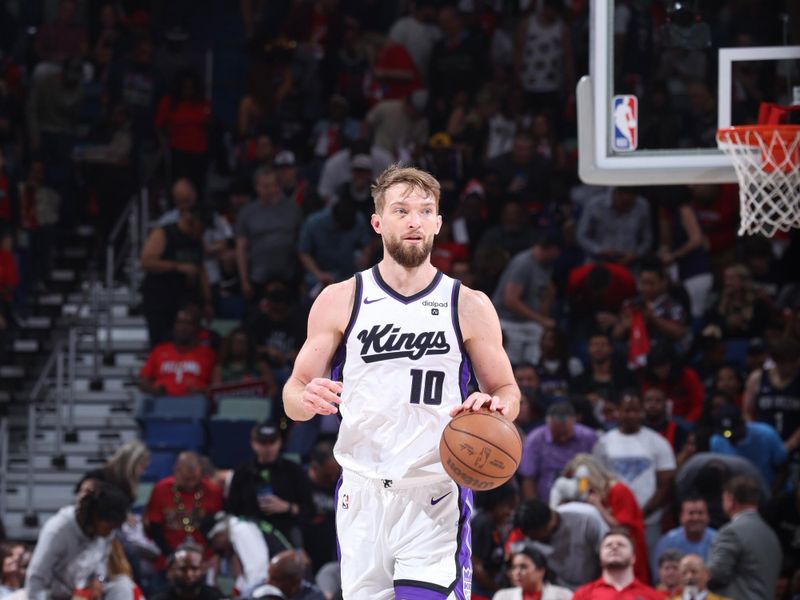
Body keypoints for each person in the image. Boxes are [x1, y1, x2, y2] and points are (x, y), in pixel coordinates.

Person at [283, 165, 520, 599]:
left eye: (425, 210)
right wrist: (305, 396)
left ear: (438, 223)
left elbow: (508, 391)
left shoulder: (468, 304)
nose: (414, 220)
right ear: (378, 222)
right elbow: (293, 393)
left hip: (432, 493)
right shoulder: (341, 299)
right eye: (401, 210)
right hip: (360, 494)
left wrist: (497, 406)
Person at [593, 389, 677, 550]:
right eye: (627, 410)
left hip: (649, 519)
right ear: (618, 411)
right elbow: (597, 482)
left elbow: (665, 484)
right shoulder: (604, 443)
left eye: (635, 411)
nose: (631, 415)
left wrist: (644, 512)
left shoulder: (658, 442)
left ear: (642, 412)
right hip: (613, 519)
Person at [26, 483, 130, 600]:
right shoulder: (57, 530)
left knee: (123, 585)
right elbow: (36, 579)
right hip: (53, 595)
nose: (110, 532)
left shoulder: (105, 533)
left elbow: (102, 559)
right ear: (95, 516)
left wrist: (98, 578)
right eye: (109, 527)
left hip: (82, 592)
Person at [226, 422, 314, 554]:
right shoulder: (242, 472)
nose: (268, 448)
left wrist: (287, 506)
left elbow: (310, 509)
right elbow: (232, 510)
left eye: (272, 442)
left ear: (280, 442)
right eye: (263, 443)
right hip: (251, 533)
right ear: (253, 443)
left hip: (286, 531)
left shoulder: (294, 471)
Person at [562, 454, 650, 584]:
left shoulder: (618, 490)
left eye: (581, 481)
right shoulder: (592, 496)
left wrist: (598, 507)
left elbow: (622, 529)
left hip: (629, 552)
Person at [140, 204, 211, 347]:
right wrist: (177, 266)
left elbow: (201, 270)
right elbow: (146, 262)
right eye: (201, 227)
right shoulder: (164, 233)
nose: (202, 232)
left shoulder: (197, 240)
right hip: (159, 300)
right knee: (160, 342)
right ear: (193, 221)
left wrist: (208, 301)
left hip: (185, 298)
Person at [707, 475, 782, 598]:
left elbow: (717, 575)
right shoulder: (770, 534)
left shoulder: (731, 532)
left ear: (731, 500)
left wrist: (696, 574)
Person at [492, 234, 561, 365]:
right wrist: (541, 320)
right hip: (509, 322)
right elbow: (510, 300)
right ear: (552, 249)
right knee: (511, 366)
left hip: (530, 324)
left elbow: (546, 293)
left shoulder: (546, 265)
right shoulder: (523, 263)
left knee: (535, 364)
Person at [236, 168, 303, 298]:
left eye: (272, 186)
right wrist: (244, 280)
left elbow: (302, 245)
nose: (269, 190)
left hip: (289, 276)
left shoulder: (293, 209)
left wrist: (302, 279)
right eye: (265, 186)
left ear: (278, 186)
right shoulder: (247, 212)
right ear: (257, 188)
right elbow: (240, 248)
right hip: (258, 277)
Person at [144, 452, 224, 561]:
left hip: (205, 559)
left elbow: (221, 528)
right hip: (169, 557)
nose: (191, 484)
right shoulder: (161, 490)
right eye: (186, 479)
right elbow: (154, 530)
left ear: (201, 471)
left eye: (194, 479)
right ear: (176, 471)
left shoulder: (213, 491)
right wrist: (171, 556)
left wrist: (215, 556)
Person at [512, 500, 608, 590]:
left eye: (534, 535)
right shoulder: (529, 537)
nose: (531, 539)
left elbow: (607, 557)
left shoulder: (586, 518)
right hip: (561, 590)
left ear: (549, 524)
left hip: (597, 585)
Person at [519, 402, 598, 502]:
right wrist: (535, 507)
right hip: (546, 502)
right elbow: (528, 478)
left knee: (584, 471)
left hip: (583, 497)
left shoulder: (589, 437)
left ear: (574, 423)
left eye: (566, 433)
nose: (562, 438)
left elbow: (599, 475)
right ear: (548, 425)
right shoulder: (535, 439)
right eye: (557, 434)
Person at [139, 307, 217, 397]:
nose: (182, 327)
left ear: (197, 327)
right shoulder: (159, 351)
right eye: (179, 323)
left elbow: (216, 387)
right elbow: (144, 382)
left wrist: (201, 391)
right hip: (161, 403)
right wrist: (154, 390)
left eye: (188, 323)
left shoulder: (208, 354)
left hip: (195, 404)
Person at [572, 529, 663, 600]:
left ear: (633, 558)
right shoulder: (583, 594)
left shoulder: (653, 596)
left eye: (621, 545)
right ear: (599, 557)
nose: (614, 547)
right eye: (608, 545)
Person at [575, 188, 652, 267]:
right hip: (598, 263)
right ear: (616, 194)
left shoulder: (642, 205)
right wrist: (599, 250)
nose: (626, 208)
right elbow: (581, 236)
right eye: (624, 204)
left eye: (630, 205)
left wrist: (637, 254)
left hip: (630, 265)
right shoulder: (595, 205)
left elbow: (647, 238)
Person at [202, 512, 269, 595]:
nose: (215, 547)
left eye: (214, 543)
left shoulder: (241, 529)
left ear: (217, 535)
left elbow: (257, 571)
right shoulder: (231, 543)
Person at [651, 496, 717, 582]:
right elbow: (659, 577)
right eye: (691, 513)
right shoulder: (667, 542)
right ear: (681, 517)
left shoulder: (718, 540)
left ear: (708, 517)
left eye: (700, 513)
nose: (696, 518)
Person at [471, 483, 519, 599]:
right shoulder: (482, 524)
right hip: (478, 591)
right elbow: (475, 565)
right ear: (495, 503)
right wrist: (498, 590)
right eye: (508, 506)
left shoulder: (493, 523)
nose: (510, 512)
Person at [492, 543, 573, 600]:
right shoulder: (503, 597)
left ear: (541, 570)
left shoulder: (563, 596)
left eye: (523, 567)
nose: (517, 572)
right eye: (514, 568)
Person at [149, 544, 223, 600]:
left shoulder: (216, 597)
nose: (189, 574)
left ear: (202, 570)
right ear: (170, 572)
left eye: (194, 569)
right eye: (182, 569)